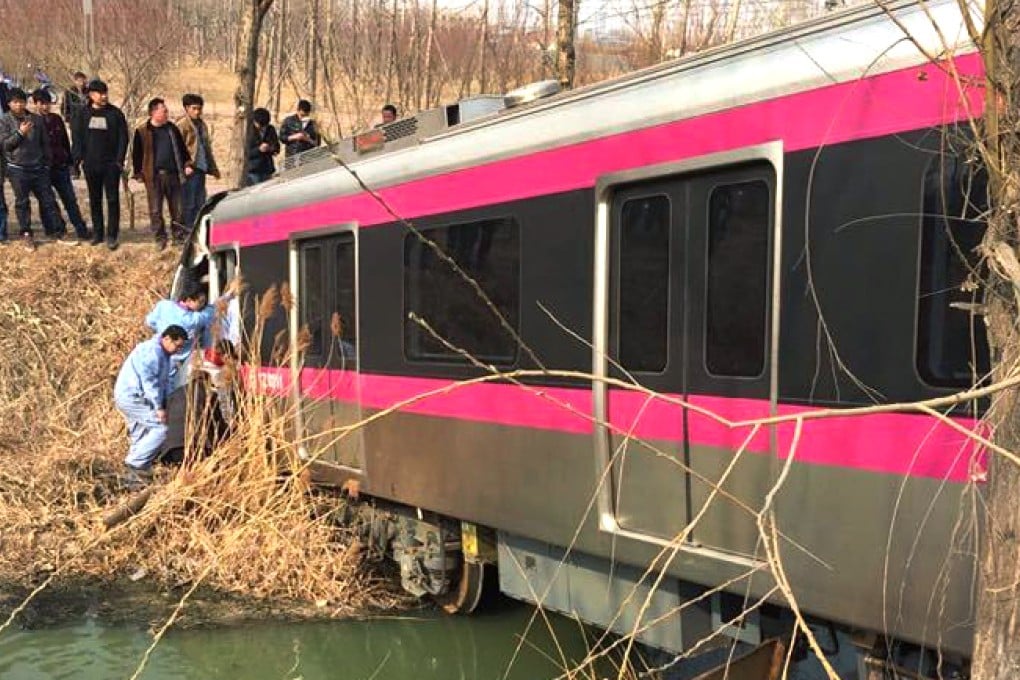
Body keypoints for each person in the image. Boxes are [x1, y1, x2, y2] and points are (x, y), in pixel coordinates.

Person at [114, 325, 188, 480]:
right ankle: (134, 464)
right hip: (133, 396)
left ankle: (131, 478)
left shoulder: (164, 355)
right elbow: (149, 382)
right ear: (167, 339)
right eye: (177, 345)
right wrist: (159, 406)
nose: (178, 350)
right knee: (161, 429)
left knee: (140, 434)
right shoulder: (152, 352)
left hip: (137, 397)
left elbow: (165, 382)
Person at [145, 277, 237, 391]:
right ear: (188, 300)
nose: (203, 305)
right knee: (172, 389)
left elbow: (149, 322)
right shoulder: (193, 319)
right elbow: (214, 308)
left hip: (157, 352)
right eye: (201, 302)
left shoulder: (164, 305)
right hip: (177, 362)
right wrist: (229, 294)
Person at [0, 88, 64, 249]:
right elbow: (6, 145)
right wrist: (20, 133)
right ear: (9, 104)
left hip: (38, 167)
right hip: (17, 168)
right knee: (22, 202)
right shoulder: (4, 121)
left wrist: (47, 162)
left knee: (48, 200)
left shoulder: (36, 119)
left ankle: (55, 231)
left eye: (21, 101)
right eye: (15, 102)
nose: (19, 105)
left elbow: (45, 143)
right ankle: (26, 233)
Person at [72, 79, 129, 250]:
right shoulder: (82, 114)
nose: (103, 96)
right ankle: (98, 233)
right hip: (91, 164)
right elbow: (77, 139)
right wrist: (77, 161)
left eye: (105, 93)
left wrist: (119, 161)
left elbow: (123, 139)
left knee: (112, 200)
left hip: (111, 165)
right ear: (91, 95)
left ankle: (112, 235)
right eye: (99, 93)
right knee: (95, 199)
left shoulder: (115, 114)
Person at [131, 97, 192, 250]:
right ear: (153, 112)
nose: (167, 114)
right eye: (164, 111)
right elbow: (137, 154)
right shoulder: (142, 131)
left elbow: (182, 149)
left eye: (167, 111)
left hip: (173, 175)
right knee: (155, 210)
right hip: (154, 176)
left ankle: (178, 237)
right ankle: (160, 238)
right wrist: (138, 173)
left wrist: (187, 164)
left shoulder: (172, 129)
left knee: (177, 209)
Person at [32, 89, 89, 243]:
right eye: (42, 104)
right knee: (47, 201)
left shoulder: (56, 119)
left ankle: (81, 228)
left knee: (70, 199)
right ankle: (55, 229)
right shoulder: (32, 122)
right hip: (42, 168)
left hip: (60, 165)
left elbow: (64, 141)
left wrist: (71, 162)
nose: (45, 107)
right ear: (35, 104)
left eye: (47, 103)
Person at [176, 93, 219, 233]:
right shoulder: (182, 125)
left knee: (200, 201)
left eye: (199, 108)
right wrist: (185, 165)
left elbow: (206, 147)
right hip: (189, 169)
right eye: (194, 108)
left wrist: (213, 168)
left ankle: (197, 230)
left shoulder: (202, 125)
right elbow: (177, 149)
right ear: (186, 108)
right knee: (189, 202)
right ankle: (187, 231)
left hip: (201, 168)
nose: (197, 112)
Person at [245, 108, 279, 186]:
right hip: (253, 170)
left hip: (267, 169)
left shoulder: (271, 129)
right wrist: (259, 149)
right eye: (260, 125)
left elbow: (277, 147)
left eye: (264, 126)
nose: (262, 128)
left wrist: (270, 148)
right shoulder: (248, 131)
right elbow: (245, 153)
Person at [61, 71, 88, 154]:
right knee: (76, 142)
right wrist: (68, 119)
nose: (81, 83)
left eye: (83, 80)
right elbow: (64, 107)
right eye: (79, 80)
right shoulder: (70, 92)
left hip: (86, 121)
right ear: (75, 81)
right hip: (74, 120)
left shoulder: (88, 92)